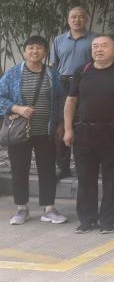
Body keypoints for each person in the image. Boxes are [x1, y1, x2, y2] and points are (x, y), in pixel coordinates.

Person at [63, 35, 114, 233]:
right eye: (95, 46)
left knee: (112, 179)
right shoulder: (82, 70)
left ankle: (107, 220)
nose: (98, 49)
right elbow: (71, 101)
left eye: (104, 46)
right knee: (85, 179)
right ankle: (87, 219)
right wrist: (68, 129)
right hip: (84, 132)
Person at [1, 36, 67, 225]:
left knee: (47, 169)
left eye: (39, 48)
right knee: (19, 170)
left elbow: (61, 99)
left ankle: (49, 209)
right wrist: (17, 108)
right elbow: (0, 97)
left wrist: (61, 124)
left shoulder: (52, 74)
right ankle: (22, 208)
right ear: (24, 51)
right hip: (19, 132)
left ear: (45, 52)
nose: (35, 51)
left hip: (45, 131)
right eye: (30, 48)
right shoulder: (13, 73)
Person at [50, 6, 97, 178]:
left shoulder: (95, 39)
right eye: (73, 17)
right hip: (62, 84)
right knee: (62, 125)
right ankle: (63, 167)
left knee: (84, 123)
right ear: (68, 20)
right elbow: (53, 65)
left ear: (87, 19)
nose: (77, 20)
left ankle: (85, 166)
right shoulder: (59, 40)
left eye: (81, 16)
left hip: (85, 83)